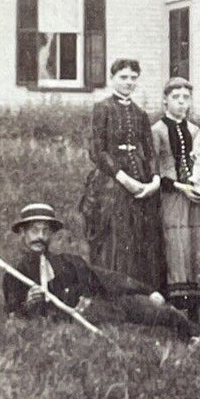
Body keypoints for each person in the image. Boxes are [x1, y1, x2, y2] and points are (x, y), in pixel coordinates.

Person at [2, 201, 194, 338]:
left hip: (106, 308)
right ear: (23, 233)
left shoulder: (69, 262)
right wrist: (29, 304)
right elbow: (14, 316)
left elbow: (108, 279)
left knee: (162, 313)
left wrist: (148, 291)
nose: (40, 237)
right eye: (35, 230)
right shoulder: (15, 276)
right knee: (131, 335)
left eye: (45, 231)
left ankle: (195, 336)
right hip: (78, 326)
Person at [82, 57, 164, 291]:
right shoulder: (103, 108)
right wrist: (123, 178)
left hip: (141, 179)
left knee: (141, 236)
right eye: (123, 77)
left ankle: (141, 293)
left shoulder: (140, 113)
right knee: (115, 236)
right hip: (111, 180)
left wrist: (154, 181)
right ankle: (113, 291)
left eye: (133, 78)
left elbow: (150, 151)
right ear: (112, 79)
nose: (128, 82)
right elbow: (97, 150)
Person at [151, 77, 200, 312]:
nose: (181, 102)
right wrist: (178, 186)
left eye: (185, 98)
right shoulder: (157, 130)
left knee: (197, 245)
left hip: (195, 198)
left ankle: (197, 307)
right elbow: (153, 166)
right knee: (176, 245)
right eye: (175, 97)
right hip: (172, 196)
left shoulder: (196, 130)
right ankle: (176, 306)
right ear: (165, 100)